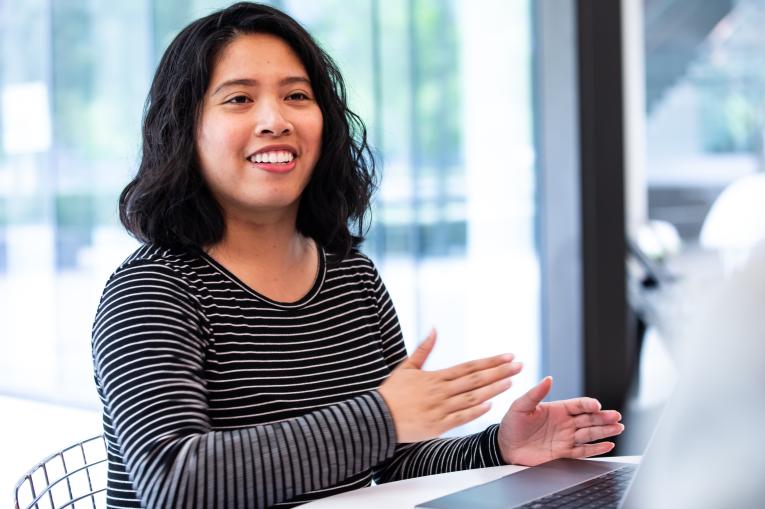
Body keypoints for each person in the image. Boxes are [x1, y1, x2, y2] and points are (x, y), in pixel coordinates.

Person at [90, 3, 624, 508]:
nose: (275, 120)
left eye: (297, 96)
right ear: (186, 130)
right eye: (239, 99)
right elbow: (173, 479)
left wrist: (499, 446)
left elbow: (395, 459)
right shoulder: (153, 290)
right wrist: (384, 416)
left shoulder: (351, 276)